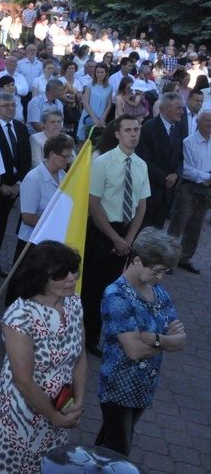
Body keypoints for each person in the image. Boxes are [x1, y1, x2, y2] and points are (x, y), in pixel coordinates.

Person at [0, 241, 87, 473]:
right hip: (22, 416)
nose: (71, 278)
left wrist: (78, 402)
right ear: (40, 278)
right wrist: (55, 418)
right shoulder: (20, 316)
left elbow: (80, 355)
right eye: (60, 274)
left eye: (73, 270)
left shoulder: (74, 303)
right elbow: (23, 380)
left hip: (61, 407)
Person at [96, 227, 186, 456]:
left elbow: (181, 340)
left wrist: (156, 339)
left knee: (107, 445)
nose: (160, 277)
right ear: (137, 261)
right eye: (157, 271)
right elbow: (134, 350)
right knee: (119, 451)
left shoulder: (158, 291)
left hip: (144, 387)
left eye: (164, 271)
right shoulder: (116, 295)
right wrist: (167, 341)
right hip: (119, 388)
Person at [82, 115, 150, 356]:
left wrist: (128, 240)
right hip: (101, 231)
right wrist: (114, 239)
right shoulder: (103, 162)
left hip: (125, 233)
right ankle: (80, 335)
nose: (134, 134)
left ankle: (94, 337)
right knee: (90, 287)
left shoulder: (141, 165)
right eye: (128, 130)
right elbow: (93, 204)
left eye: (137, 129)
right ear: (118, 134)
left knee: (109, 290)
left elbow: (141, 206)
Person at [5, 134, 75, 306]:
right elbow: (27, 217)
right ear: (51, 154)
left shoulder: (63, 175)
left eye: (69, 156)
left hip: (52, 243)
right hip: (32, 244)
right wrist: (56, 224)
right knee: (25, 288)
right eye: (64, 156)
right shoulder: (33, 178)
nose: (67, 160)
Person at [0, 92, 32, 277]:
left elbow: (26, 159)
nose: (11, 108)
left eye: (13, 105)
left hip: (14, 187)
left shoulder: (21, 128)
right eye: (6, 105)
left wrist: (19, 184)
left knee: (1, 225)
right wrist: (1, 185)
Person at [166, 108, 211, 274]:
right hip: (189, 188)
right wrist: (206, 176)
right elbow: (186, 169)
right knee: (178, 225)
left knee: (196, 226)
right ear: (198, 122)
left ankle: (184, 258)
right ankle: (167, 259)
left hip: (206, 190)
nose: (210, 124)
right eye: (207, 121)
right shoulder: (188, 142)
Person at [135, 91, 185, 229]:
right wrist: (164, 178)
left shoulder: (179, 128)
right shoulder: (149, 128)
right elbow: (143, 158)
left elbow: (180, 155)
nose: (182, 112)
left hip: (167, 193)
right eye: (179, 108)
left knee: (158, 230)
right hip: (150, 190)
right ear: (165, 109)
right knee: (143, 230)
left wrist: (175, 174)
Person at [77, 62, 112, 141]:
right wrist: (93, 117)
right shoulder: (89, 85)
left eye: (102, 72)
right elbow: (85, 102)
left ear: (106, 73)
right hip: (89, 115)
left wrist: (103, 118)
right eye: (97, 72)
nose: (99, 74)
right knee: (83, 141)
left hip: (101, 117)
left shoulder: (110, 87)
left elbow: (108, 104)